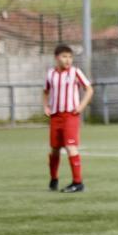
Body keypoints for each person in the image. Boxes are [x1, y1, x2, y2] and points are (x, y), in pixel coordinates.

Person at [43, 44, 94, 193]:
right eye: (64, 56)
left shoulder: (75, 72)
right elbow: (45, 91)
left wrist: (81, 106)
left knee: (71, 146)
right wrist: (46, 106)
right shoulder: (51, 74)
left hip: (70, 116)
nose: (68, 60)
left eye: (70, 57)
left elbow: (89, 89)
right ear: (56, 58)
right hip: (55, 116)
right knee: (55, 149)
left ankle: (78, 182)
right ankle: (54, 179)